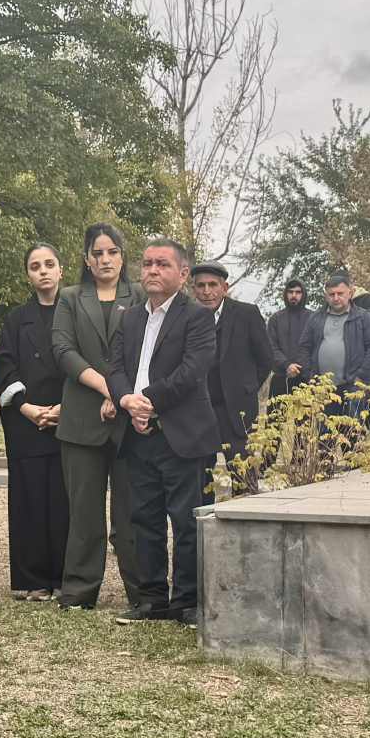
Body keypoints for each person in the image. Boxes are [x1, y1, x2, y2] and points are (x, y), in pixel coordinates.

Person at [109, 238, 219, 626]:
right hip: (137, 434)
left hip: (182, 435)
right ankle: (151, 600)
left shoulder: (198, 317)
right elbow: (115, 368)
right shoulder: (130, 317)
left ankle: (187, 601)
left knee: (186, 521)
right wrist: (126, 401)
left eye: (162, 264)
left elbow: (193, 371)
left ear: (183, 273)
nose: (152, 270)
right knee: (144, 520)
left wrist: (148, 401)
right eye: (148, 264)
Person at [50, 223, 142, 611]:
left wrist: (122, 397)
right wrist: (109, 390)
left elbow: (146, 350)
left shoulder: (139, 296)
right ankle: (79, 590)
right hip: (82, 420)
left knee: (133, 513)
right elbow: (63, 350)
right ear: (87, 260)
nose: (105, 259)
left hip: (131, 421)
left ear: (123, 256)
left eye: (113, 252)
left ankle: (143, 591)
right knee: (84, 511)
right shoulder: (70, 298)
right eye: (98, 253)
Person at [0, 244, 71, 600]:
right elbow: (4, 366)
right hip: (26, 422)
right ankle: (32, 579)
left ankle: (64, 577)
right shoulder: (15, 319)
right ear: (28, 274)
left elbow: (87, 363)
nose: (43, 271)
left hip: (68, 420)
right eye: (35, 266)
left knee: (63, 500)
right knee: (29, 499)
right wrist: (26, 407)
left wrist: (63, 408)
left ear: (61, 271)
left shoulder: (75, 313)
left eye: (49, 264)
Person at [189, 262, 277, 490]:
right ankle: (201, 523)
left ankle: (246, 519)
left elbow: (266, 358)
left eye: (212, 285)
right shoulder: (188, 318)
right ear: (193, 289)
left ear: (224, 287)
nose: (207, 291)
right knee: (200, 477)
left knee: (243, 475)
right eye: (201, 286)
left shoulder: (247, 314)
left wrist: (247, 387)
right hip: (200, 409)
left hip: (237, 409)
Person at [303, 272, 370, 420]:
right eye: (331, 294)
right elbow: (304, 347)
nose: (336, 298)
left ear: (350, 293)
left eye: (340, 293)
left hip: (353, 385)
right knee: (324, 437)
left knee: (351, 434)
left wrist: (361, 376)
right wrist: (310, 376)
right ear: (326, 296)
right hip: (323, 388)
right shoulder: (316, 318)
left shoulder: (363, 317)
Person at [267, 280, 313, 395]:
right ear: (285, 294)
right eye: (290, 292)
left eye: (298, 292)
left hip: (307, 380)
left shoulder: (313, 318)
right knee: (278, 413)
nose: (294, 295)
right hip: (281, 379)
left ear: (303, 294)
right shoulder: (276, 319)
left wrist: (299, 367)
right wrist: (287, 364)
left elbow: (315, 347)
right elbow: (271, 347)